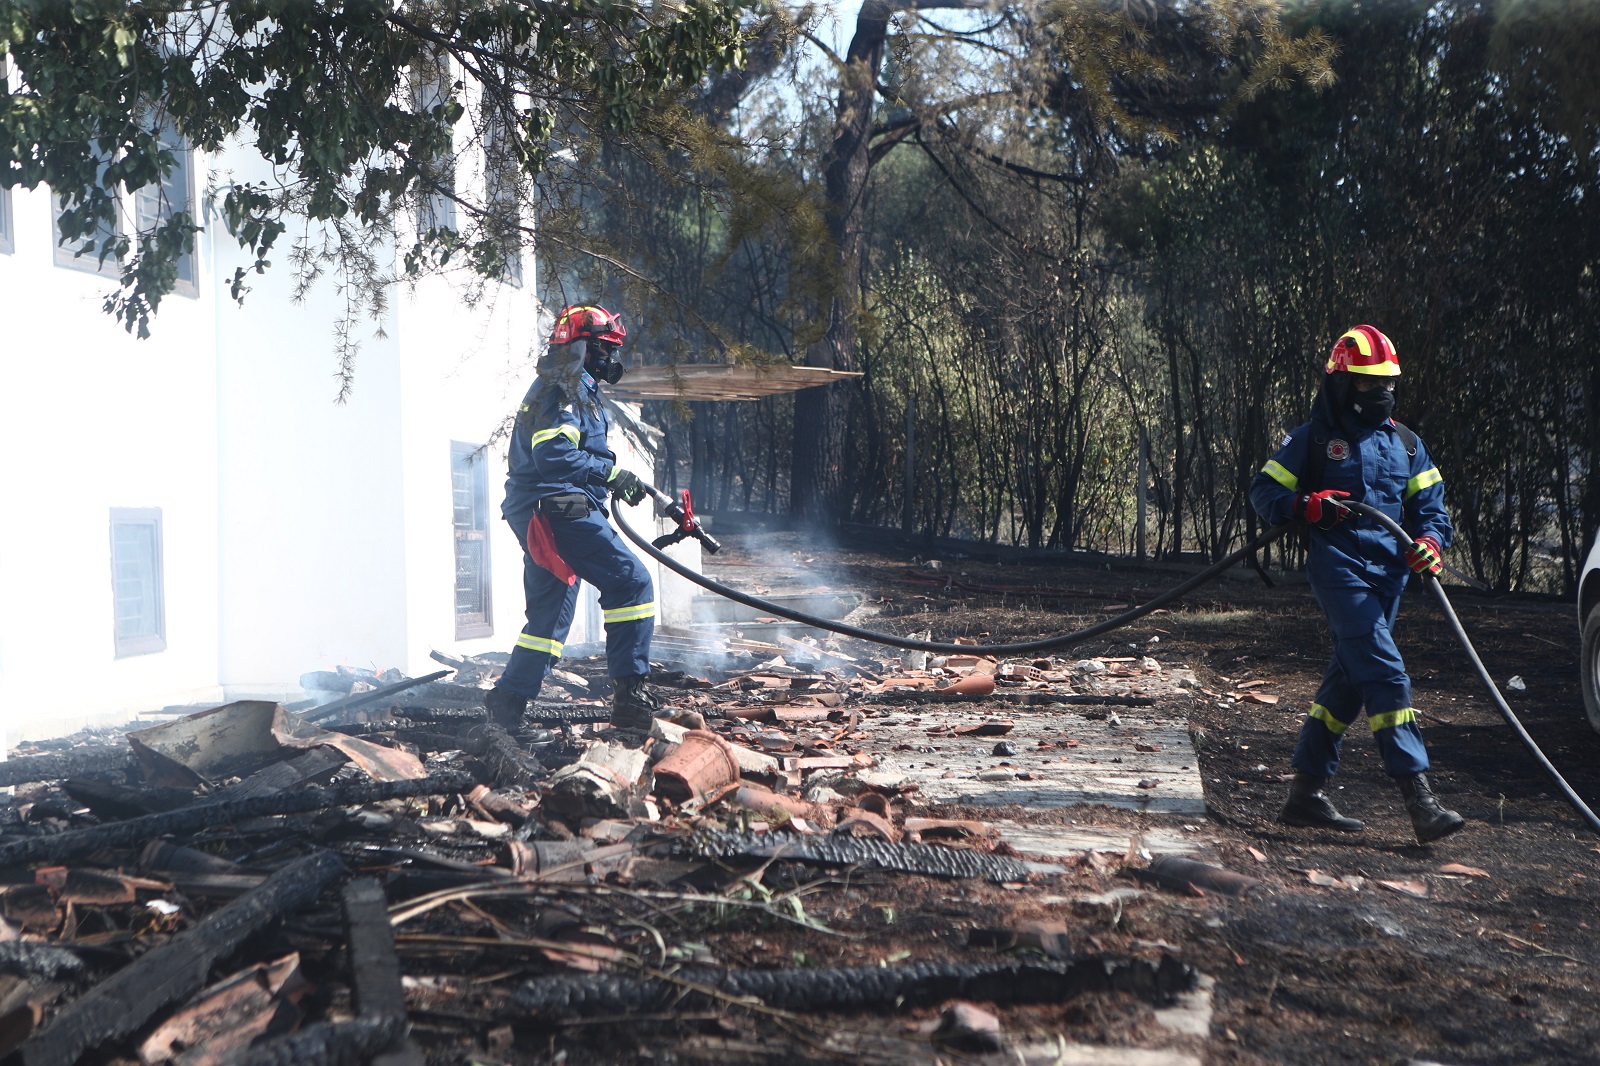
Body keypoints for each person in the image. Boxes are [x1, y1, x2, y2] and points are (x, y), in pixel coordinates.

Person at [1249, 324, 1465, 844]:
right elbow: (1263, 491)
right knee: (1386, 672)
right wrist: (1305, 505)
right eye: (1370, 384)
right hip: (1340, 568)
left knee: (1346, 684)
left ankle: (1304, 793)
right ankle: (1420, 798)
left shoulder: (1409, 445)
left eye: (1388, 382)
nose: (1382, 393)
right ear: (1344, 385)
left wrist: (1431, 545)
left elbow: (1433, 514)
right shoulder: (1313, 440)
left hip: (1390, 576)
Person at [483, 303, 662, 741]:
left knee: (549, 616)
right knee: (631, 582)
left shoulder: (567, 385)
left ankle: (507, 705)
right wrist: (611, 474)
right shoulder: (565, 389)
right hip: (559, 504)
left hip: (541, 506)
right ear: (583, 346)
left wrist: (610, 479)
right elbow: (554, 455)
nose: (610, 358)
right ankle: (630, 699)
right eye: (605, 347)